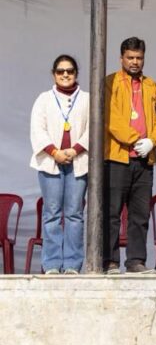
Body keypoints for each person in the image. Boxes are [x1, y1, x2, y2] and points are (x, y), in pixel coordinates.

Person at [102, 37, 156, 274]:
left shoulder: (152, 85)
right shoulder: (110, 82)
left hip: (144, 159)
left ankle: (136, 261)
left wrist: (153, 141)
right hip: (117, 157)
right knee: (111, 213)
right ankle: (109, 261)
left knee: (140, 214)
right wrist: (135, 139)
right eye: (130, 57)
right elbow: (110, 118)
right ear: (121, 58)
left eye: (139, 57)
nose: (135, 62)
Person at [29, 55, 89, 275]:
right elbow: (37, 129)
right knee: (52, 213)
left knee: (74, 214)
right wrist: (55, 152)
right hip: (50, 163)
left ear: (76, 73)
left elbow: (93, 128)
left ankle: (72, 264)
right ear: (54, 74)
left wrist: (74, 150)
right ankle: (52, 264)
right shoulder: (44, 99)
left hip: (77, 161)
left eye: (70, 71)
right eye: (61, 71)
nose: (65, 74)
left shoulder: (87, 99)